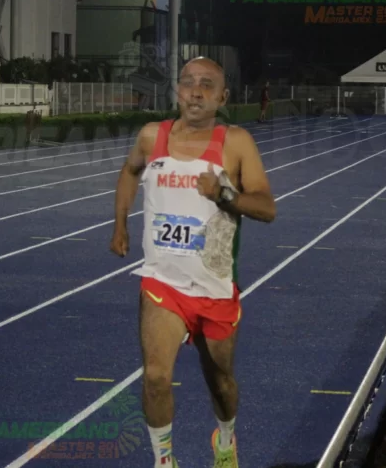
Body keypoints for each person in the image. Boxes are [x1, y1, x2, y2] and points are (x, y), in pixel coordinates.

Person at [110, 57, 277, 468]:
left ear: (222, 97)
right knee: (155, 376)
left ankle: (225, 438)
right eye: (188, 83)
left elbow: (266, 207)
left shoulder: (235, 142)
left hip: (214, 288)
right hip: (162, 283)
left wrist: (224, 195)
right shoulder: (152, 136)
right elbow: (130, 172)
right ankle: (164, 461)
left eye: (207, 84)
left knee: (221, 383)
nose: (196, 91)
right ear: (177, 91)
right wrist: (120, 225)